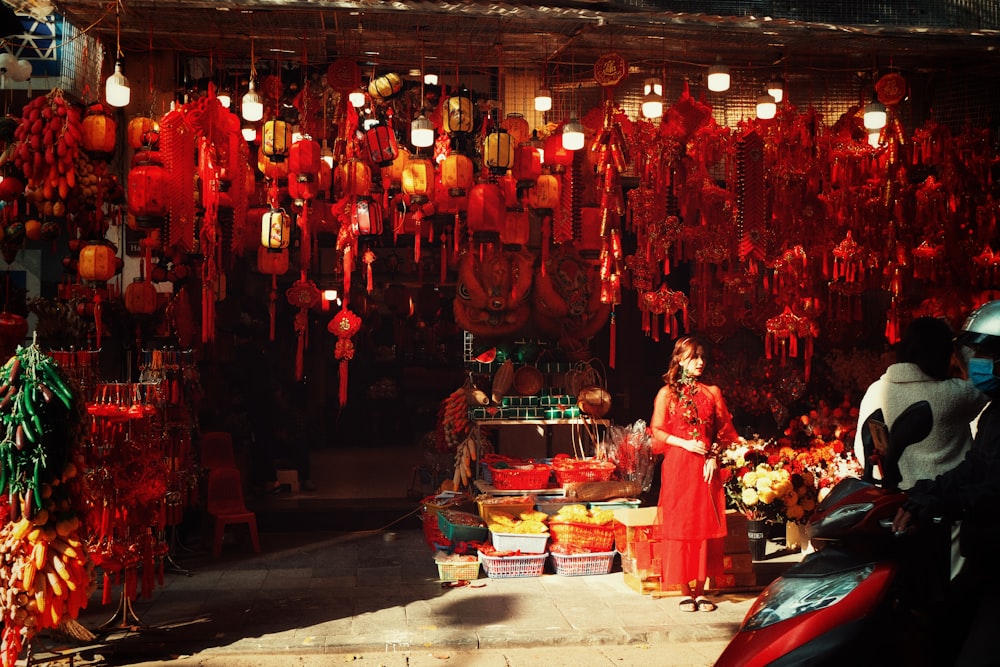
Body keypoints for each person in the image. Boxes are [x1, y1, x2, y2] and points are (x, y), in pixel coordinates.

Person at [892, 300, 1000, 667]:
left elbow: (994, 490)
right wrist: (929, 490)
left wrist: (940, 503)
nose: (978, 361)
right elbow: (974, 467)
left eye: (987, 353)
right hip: (985, 556)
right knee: (940, 629)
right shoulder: (993, 413)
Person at [853, 316, 988, 579]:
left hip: (893, 513)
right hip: (945, 515)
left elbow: (863, 452)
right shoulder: (954, 394)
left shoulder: (876, 390)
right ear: (943, 354)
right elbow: (984, 383)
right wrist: (960, 348)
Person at [649, 336, 741, 612]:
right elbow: (657, 431)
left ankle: (702, 590)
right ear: (679, 359)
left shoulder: (712, 392)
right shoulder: (667, 394)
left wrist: (713, 457)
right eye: (693, 357)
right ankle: (684, 589)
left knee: (704, 526)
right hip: (678, 465)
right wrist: (685, 443)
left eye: (702, 357)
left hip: (705, 467)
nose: (700, 362)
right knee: (679, 525)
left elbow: (725, 433)